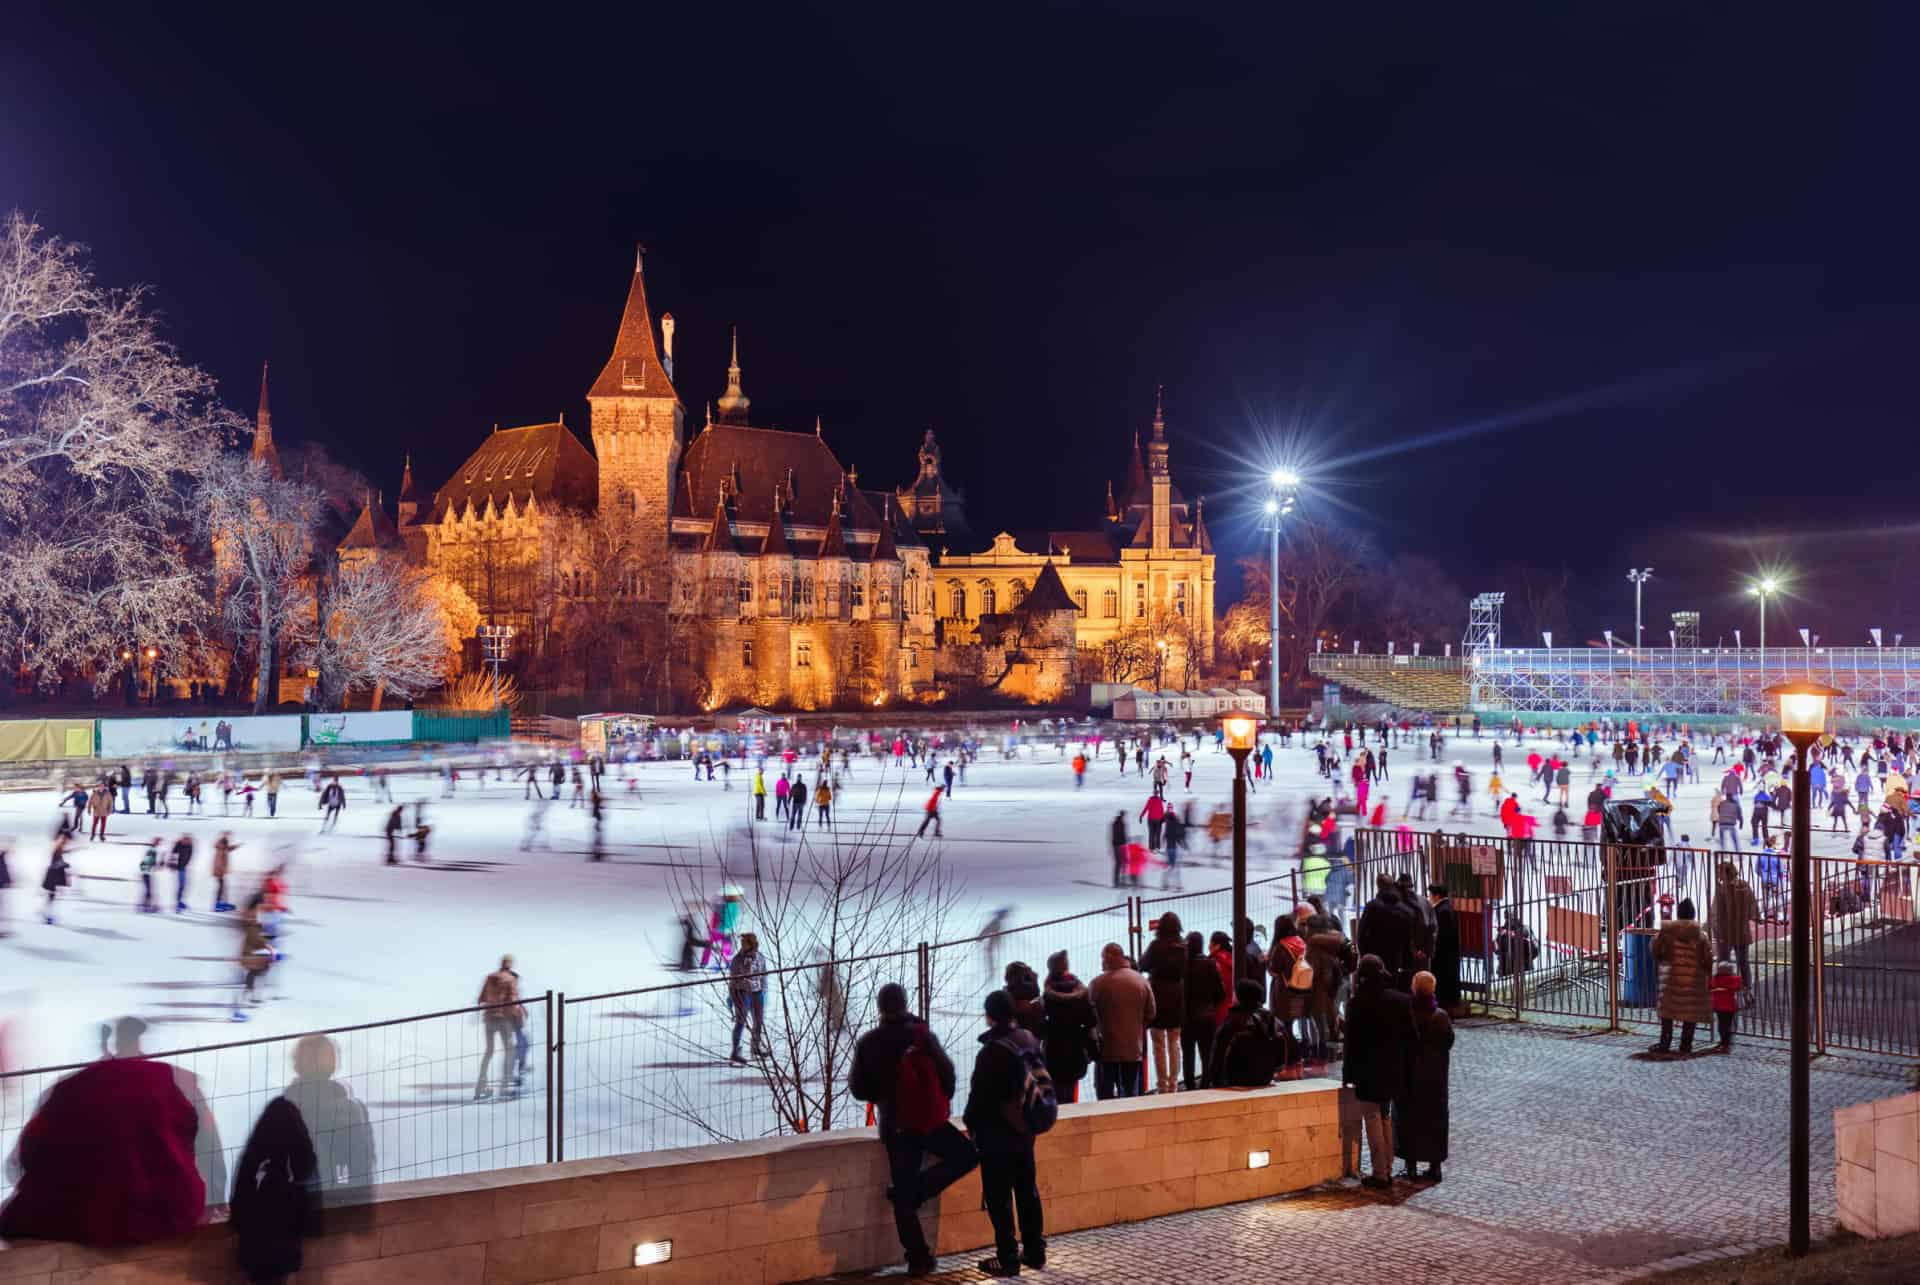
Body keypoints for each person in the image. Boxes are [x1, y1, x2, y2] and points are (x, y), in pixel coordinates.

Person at [0, 1052, 205, 1247]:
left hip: (84, 1216)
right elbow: (187, 1128)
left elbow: (31, 1152)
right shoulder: (162, 1085)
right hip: (167, 1210)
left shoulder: (69, 1093)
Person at [849, 982, 977, 1278]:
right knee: (968, 1156)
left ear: (880, 1008)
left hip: (897, 1128)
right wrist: (936, 1103)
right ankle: (920, 1190)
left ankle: (918, 1258)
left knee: (903, 1194)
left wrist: (883, 1095)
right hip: (930, 1122)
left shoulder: (869, 1042)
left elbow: (858, 1088)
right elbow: (948, 1073)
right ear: (905, 1004)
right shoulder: (922, 1035)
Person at [964, 991, 1048, 1277]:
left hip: (997, 1135)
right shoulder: (1027, 1038)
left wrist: (971, 1125)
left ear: (989, 1016)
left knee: (999, 1198)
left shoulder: (991, 1052)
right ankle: (1035, 1251)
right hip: (1025, 1131)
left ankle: (1008, 1257)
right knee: (1027, 1191)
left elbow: (979, 1098)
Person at [1342, 954, 1414, 1189]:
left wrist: (1347, 1074)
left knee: (1372, 1118)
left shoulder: (1357, 1003)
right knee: (1385, 1116)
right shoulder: (1401, 1000)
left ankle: (1380, 1172)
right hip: (1392, 1067)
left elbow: (1350, 1043)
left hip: (1367, 1070)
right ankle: (1388, 1167)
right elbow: (1411, 1037)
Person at [229, 1096, 318, 1285]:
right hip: (284, 1252)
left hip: (254, 1252)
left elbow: (239, 1203)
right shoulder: (297, 1167)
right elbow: (306, 1207)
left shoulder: (252, 1161)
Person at [1393, 970, 1453, 1183]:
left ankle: (1410, 1165)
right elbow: (1448, 1042)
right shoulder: (1441, 1016)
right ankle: (1434, 1166)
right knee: (1434, 1121)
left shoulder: (1407, 1014)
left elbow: (1399, 1044)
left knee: (1408, 1119)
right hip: (1435, 1080)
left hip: (1410, 1076)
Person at [1088, 942, 1152, 1098]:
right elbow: (1151, 1013)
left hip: (1106, 1049)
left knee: (1105, 1094)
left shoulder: (1097, 984)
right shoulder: (1141, 981)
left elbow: (1089, 1016)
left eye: (1102, 958)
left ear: (1108, 958)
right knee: (1131, 1094)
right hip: (1132, 1047)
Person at [1650, 897, 1713, 1055]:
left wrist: (1662, 960)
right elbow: (1708, 958)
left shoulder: (1666, 932)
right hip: (1693, 979)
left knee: (1668, 1012)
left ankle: (1665, 1043)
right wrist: (1706, 971)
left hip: (1670, 977)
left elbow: (1656, 949)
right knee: (1690, 1012)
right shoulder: (1701, 935)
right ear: (1693, 915)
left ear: (1678, 914)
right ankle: (1686, 1045)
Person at [1138, 912, 1186, 1093]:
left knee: (1159, 1044)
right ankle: (1174, 1083)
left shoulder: (1156, 946)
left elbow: (1143, 964)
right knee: (1175, 1042)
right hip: (1176, 997)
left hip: (1157, 996)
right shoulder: (1183, 947)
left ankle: (1162, 1084)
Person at [1040, 951, 1096, 1103]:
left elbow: (1041, 1024)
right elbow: (1091, 1020)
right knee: (1072, 1093)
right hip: (1075, 1049)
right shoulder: (1081, 993)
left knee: (1056, 1095)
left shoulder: (1047, 995)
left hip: (1053, 1050)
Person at [1206, 979, 1284, 1087]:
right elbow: (1282, 1056)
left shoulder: (1232, 1022)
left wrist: (1214, 1082)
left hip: (1236, 1080)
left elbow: (1217, 1056)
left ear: (1240, 997)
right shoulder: (1273, 1020)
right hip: (1265, 1077)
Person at [475, 955, 526, 1100]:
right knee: (509, 1051)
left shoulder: (490, 978)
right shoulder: (510, 979)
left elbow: (481, 999)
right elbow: (513, 1001)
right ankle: (504, 1087)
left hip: (489, 1018)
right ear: (510, 965)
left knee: (489, 1051)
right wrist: (519, 1015)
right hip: (504, 1019)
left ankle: (480, 1086)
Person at [1181, 931, 1225, 1090]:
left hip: (1187, 1017)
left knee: (1188, 1054)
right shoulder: (1210, 964)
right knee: (1207, 1053)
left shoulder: (1184, 966)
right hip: (1207, 1016)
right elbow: (1221, 992)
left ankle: (1189, 1085)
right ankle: (1206, 1082)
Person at [1709, 861, 1758, 994]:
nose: (1718, 875)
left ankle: (1724, 990)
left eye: (1719, 872)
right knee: (1743, 962)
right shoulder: (1745, 886)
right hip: (1742, 931)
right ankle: (1748, 990)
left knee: (1723, 962)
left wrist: (1715, 929)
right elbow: (1753, 910)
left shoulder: (1722, 890)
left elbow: (1715, 914)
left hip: (1725, 933)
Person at [728, 932, 768, 1063]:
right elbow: (732, 979)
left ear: (752, 944)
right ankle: (735, 1051)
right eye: (742, 942)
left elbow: (764, 975)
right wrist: (732, 996)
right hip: (742, 993)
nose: (742, 945)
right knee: (741, 1021)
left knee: (759, 1021)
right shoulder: (737, 959)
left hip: (757, 993)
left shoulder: (760, 957)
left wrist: (764, 991)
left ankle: (756, 1046)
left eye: (745, 942)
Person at [1427, 883, 1461, 1011]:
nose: (1429, 898)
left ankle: (1444, 1006)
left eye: (1431, 895)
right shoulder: (1448, 908)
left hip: (1443, 954)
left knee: (1442, 982)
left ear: (1436, 896)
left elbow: (1440, 935)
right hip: (1449, 953)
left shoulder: (1441, 911)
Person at [1710, 959, 1744, 1051]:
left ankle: (1723, 1042)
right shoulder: (1734, 979)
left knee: (1721, 1026)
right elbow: (1738, 986)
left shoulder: (1715, 979)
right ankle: (1725, 1043)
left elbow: (1710, 986)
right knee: (1727, 1026)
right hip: (1729, 1007)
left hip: (1719, 1007)